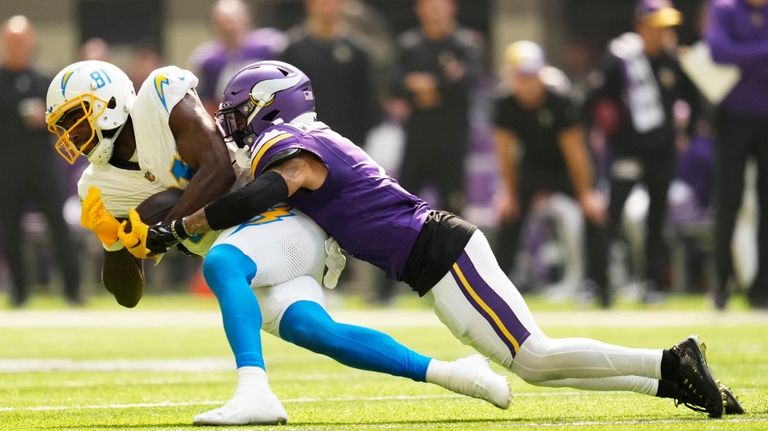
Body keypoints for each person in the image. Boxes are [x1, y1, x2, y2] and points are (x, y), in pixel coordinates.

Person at [127, 60, 742, 419]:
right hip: (433, 265)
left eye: (236, 113)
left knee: (534, 357)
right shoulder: (307, 135)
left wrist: (188, 223)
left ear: (265, 106)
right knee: (535, 365)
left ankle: (670, 363)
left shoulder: (290, 141)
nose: (231, 126)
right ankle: (676, 379)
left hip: (442, 254)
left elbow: (269, 192)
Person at [44, 59, 510, 425]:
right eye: (63, 130)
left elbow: (219, 169)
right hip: (254, 253)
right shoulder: (97, 187)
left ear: (108, 104)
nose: (72, 139)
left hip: (278, 216)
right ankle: (456, 373)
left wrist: (167, 228)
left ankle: (254, 391)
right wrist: (112, 243)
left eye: (76, 122)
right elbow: (127, 296)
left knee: (222, 261)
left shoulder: (158, 96)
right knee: (317, 331)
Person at [585, 0, 702, 302]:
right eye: (657, 26)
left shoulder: (672, 61)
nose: (663, 33)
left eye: (667, 27)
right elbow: (593, 100)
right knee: (611, 217)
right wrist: (603, 132)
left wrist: (685, 134)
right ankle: (598, 283)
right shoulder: (620, 60)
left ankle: (653, 284)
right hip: (626, 151)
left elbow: (696, 100)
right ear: (641, 25)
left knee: (657, 220)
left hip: (661, 153)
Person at [492, 41, 609, 306]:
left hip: (566, 169)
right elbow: (505, 152)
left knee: (593, 213)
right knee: (509, 215)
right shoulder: (504, 104)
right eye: (522, 76)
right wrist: (508, 193)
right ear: (510, 75)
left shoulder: (561, 101)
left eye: (532, 75)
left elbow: (576, 153)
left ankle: (600, 286)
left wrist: (586, 193)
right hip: (532, 167)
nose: (528, 83)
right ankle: (496, 288)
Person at [0, 16, 81, 307]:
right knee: (10, 232)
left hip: (43, 168)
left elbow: (65, 123)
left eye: (21, 41)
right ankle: (19, 293)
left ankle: (73, 291)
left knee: (59, 229)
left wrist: (45, 119)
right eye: (11, 41)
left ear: (31, 43)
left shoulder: (46, 80)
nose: (17, 46)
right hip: (7, 170)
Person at [388, 0, 483, 215]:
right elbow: (396, 85)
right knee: (405, 206)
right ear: (419, 9)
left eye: (440, 5)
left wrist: (432, 87)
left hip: (453, 141)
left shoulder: (466, 44)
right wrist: (443, 85)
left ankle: (453, 250)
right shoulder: (409, 45)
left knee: (454, 209)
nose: (435, 11)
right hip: (416, 139)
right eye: (430, 6)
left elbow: (468, 83)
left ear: (453, 7)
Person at [706, 0, 768, 309]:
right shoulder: (725, 9)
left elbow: (734, 54)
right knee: (728, 200)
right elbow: (718, 51)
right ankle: (722, 282)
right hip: (732, 117)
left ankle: (762, 287)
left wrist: (746, 55)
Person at [281, 0, 381, 147]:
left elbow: (370, 103)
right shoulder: (293, 50)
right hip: (304, 145)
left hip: (348, 144)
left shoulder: (358, 51)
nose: (327, 6)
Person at [188, 0, 286, 115]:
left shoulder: (270, 46)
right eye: (222, 23)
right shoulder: (206, 60)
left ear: (246, 20)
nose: (228, 27)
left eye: (231, 21)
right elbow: (204, 100)